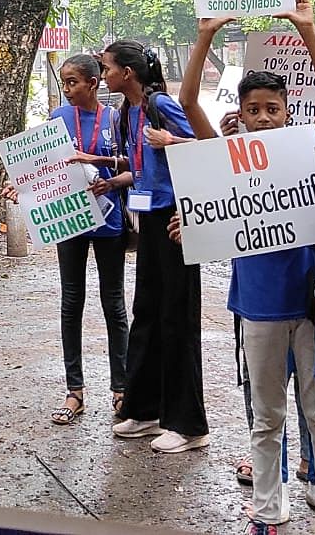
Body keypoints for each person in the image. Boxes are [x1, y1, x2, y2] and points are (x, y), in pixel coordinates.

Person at [176, 0, 315, 530]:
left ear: (287, 112)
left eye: (273, 109)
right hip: (260, 311)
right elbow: (190, 101)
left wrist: (305, 28)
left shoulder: (303, 152)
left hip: (312, 307)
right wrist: (205, 36)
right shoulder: (226, 157)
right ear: (240, 115)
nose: (264, 118)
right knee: (267, 420)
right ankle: (270, 508)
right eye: (254, 110)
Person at [5, 53, 128, 426]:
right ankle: (75, 391)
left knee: (114, 303)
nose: (68, 90)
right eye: (64, 83)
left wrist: (97, 164)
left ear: (93, 83)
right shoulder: (59, 118)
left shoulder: (114, 118)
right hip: (70, 221)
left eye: (73, 82)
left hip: (108, 222)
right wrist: (20, 186)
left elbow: (131, 163)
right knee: (71, 301)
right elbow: (43, 166)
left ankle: (121, 389)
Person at [101, 38, 208, 454]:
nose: (105, 75)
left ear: (127, 73)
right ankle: (144, 408)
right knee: (145, 311)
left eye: (108, 68)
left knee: (177, 318)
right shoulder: (127, 112)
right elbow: (138, 164)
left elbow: (207, 148)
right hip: (147, 219)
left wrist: (173, 143)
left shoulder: (161, 105)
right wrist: (103, 171)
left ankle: (189, 424)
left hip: (175, 221)